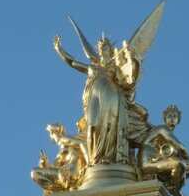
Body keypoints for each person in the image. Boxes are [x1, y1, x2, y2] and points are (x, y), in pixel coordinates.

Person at [54, 35, 149, 166]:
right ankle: (94, 158)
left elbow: (129, 77)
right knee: (92, 126)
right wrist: (60, 50)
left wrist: (129, 57)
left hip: (111, 95)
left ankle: (108, 157)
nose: (103, 49)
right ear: (98, 51)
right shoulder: (92, 68)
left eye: (106, 47)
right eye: (101, 47)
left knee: (110, 126)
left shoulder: (115, 66)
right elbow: (73, 62)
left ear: (110, 50)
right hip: (93, 96)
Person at [138, 105, 189, 196]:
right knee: (180, 163)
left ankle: (169, 184)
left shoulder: (167, 135)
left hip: (159, 161)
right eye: (170, 116)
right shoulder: (162, 129)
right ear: (165, 119)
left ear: (178, 120)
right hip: (148, 163)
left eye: (174, 116)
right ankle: (174, 190)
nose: (172, 118)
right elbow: (178, 145)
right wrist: (185, 155)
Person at [30, 123, 87, 192]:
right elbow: (52, 166)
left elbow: (81, 143)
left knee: (34, 172)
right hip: (66, 174)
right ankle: (57, 190)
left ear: (53, 132)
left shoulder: (63, 139)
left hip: (69, 173)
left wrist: (90, 162)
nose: (51, 137)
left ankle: (56, 189)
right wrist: (44, 163)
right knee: (36, 172)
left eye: (50, 134)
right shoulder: (63, 150)